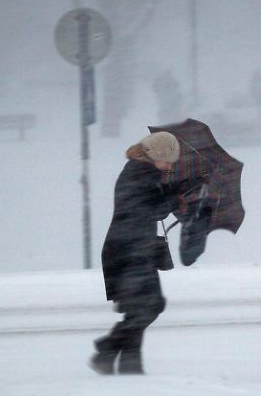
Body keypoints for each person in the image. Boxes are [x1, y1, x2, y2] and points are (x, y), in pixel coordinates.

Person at [89, 131, 181, 375]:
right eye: (168, 161)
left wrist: (170, 179)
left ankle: (128, 365)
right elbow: (159, 208)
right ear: (155, 155)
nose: (170, 166)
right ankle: (107, 348)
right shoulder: (140, 175)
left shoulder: (140, 172)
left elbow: (161, 196)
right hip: (129, 250)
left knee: (139, 309)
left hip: (130, 248)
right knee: (150, 306)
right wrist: (175, 193)